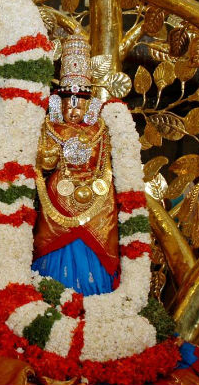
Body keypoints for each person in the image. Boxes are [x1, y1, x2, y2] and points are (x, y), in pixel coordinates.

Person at [33, 30, 118, 295]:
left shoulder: (100, 129)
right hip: (60, 194)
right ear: (58, 102)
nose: (73, 110)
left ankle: (97, 298)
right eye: (68, 104)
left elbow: (105, 163)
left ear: (89, 105)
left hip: (97, 197)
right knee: (56, 240)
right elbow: (45, 164)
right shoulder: (51, 128)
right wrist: (49, 152)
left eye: (79, 104)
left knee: (96, 238)